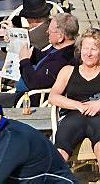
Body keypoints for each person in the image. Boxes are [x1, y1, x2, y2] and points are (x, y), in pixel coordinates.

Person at [49, 27, 100, 163]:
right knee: (60, 151)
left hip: (98, 118)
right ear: (80, 49)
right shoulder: (68, 71)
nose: (88, 53)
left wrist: (98, 104)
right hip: (73, 116)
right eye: (85, 48)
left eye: (94, 49)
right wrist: (77, 105)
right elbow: (53, 96)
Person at [12, 12, 79, 97]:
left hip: (29, 100)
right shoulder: (61, 49)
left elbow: (34, 83)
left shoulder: (61, 60)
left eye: (50, 31)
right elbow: (44, 56)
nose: (47, 32)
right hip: (25, 90)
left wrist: (24, 60)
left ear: (60, 37)